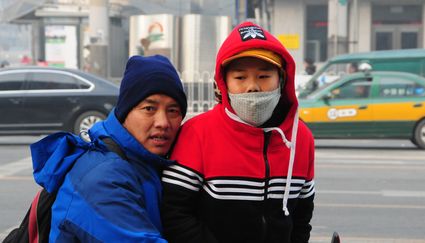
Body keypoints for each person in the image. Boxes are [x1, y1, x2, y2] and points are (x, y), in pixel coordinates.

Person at [161, 22, 315, 243]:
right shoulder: (197, 133)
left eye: (263, 76)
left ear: (282, 80)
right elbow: (174, 213)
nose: (252, 87)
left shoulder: (302, 138)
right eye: (240, 78)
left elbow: (302, 216)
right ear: (223, 83)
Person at [30, 55, 187, 242]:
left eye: (173, 111)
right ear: (125, 112)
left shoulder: (141, 161)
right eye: (149, 109)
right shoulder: (102, 178)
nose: (163, 122)